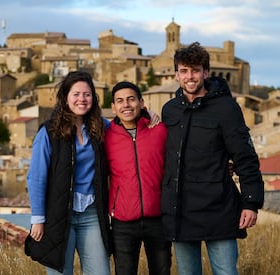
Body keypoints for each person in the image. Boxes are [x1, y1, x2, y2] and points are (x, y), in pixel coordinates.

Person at [160, 42, 264, 275]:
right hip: (181, 211)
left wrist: (250, 202)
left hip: (219, 209)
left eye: (195, 70)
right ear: (176, 74)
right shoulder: (170, 110)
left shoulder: (227, 108)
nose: (190, 76)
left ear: (206, 73)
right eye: (184, 71)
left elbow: (245, 157)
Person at [24, 71, 111, 275]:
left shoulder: (101, 127)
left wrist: (145, 114)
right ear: (65, 97)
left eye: (87, 94)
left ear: (93, 98)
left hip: (91, 213)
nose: (82, 99)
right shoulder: (48, 132)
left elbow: (126, 126)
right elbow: (36, 177)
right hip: (59, 214)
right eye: (76, 94)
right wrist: (38, 218)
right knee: (60, 271)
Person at [105, 81, 171, 275]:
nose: (126, 105)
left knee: (161, 271)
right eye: (120, 101)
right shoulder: (105, 136)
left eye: (131, 99)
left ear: (142, 103)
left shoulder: (160, 130)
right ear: (113, 107)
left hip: (158, 218)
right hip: (123, 222)